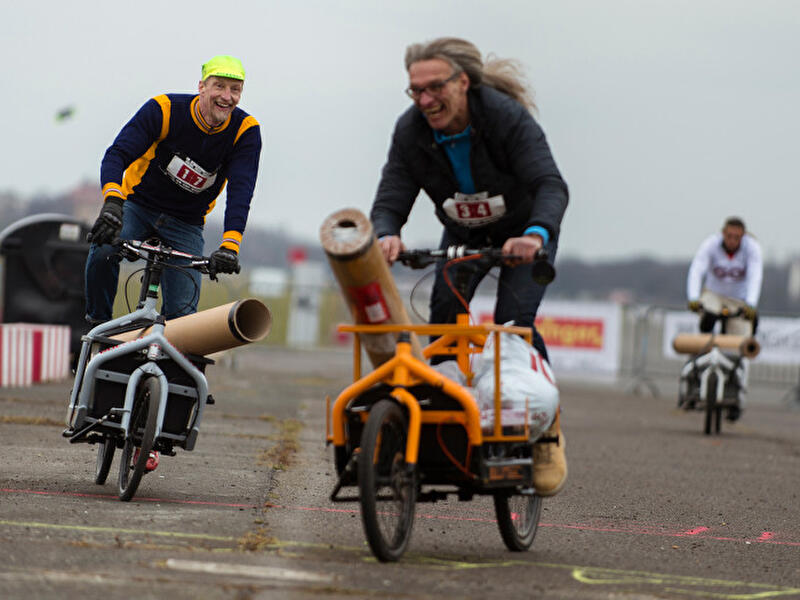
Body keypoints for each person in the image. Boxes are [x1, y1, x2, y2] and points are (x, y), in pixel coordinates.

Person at [370, 38, 568, 496]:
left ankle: (547, 433)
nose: (424, 100)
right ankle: (446, 426)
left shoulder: (504, 117)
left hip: (524, 235)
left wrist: (536, 235)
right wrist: (386, 234)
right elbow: (392, 192)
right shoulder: (411, 129)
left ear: (463, 82)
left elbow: (550, 184)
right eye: (415, 90)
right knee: (444, 320)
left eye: (434, 87)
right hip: (463, 234)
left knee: (512, 324)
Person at [85, 54, 262, 325]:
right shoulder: (164, 109)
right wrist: (112, 202)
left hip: (186, 222)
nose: (227, 97)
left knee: (184, 320)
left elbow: (241, 190)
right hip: (137, 205)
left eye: (235, 90)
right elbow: (116, 155)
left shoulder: (245, 131)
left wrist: (230, 246)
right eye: (219, 86)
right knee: (102, 252)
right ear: (201, 86)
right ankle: (97, 326)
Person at [684, 216, 763, 420]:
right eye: (729, 235)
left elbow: (755, 275)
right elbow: (697, 269)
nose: (732, 240)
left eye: (737, 237)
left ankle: (739, 395)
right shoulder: (710, 244)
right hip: (714, 294)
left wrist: (751, 304)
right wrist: (693, 298)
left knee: (742, 345)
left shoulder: (752, 248)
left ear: (742, 236)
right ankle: (692, 380)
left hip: (739, 299)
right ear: (723, 233)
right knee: (705, 325)